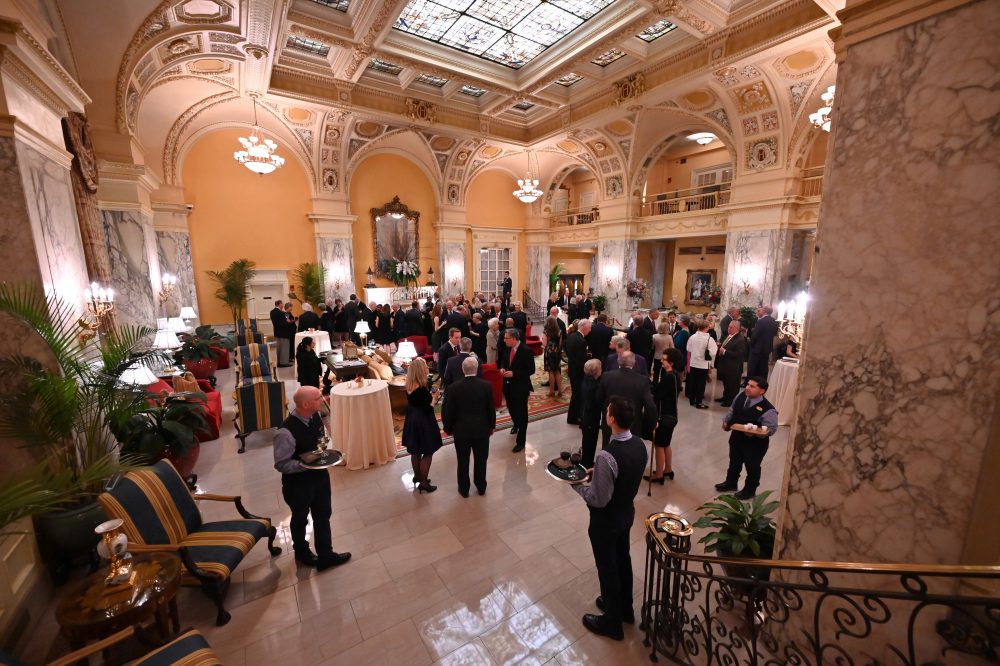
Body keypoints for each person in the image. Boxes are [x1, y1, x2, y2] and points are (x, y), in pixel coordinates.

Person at [572, 396, 648, 641]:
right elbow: (626, 475)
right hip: (626, 513)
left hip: (606, 521)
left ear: (612, 419)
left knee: (607, 568)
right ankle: (625, 608)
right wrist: (601, 475)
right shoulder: (639, 444)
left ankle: (612, 623)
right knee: (622, 559)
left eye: (607, 412)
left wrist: (576, 484)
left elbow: (598, 498)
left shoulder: (607, 455)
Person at [273, 386, 352, 571]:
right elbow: (281, 464)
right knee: (300, 519)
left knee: (323, 516)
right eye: (318, 398)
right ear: (306, 404)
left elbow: (320, 441)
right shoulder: (284, 432)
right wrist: (305, 464)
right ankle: (301, 552)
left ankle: (326, 555)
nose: (322, 399)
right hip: (298, 485)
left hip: (320, 479)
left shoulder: (316, 416)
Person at [715, 377, 778, 500]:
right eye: (748, 385)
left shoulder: (768, 409)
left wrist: (757, 434)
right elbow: (732, 410)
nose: (747, 388)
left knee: (752, 467)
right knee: (734, 462)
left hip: (755, 444)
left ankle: (749, 490)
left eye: (752, 386)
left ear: (762, 391)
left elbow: (772, 429)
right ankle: (731, 483)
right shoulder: (741, 396)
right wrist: (726, 421)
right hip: (737, 437)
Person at [442, 356, 496, 498]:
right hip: (482, 430)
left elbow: (450, 411)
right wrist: (492, 426)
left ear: (462, 369)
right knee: (481, 460)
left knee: (463, 460)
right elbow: (491, 409)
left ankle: (464, 489)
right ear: (477, 369)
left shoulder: (454, 388)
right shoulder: (486, 386)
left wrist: (447, 428)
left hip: (461, 431)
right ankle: (481, 486)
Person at [596, 351, 656, 448]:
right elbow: (651, 406)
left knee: (609, 449)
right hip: (632, 424)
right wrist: (650, 425)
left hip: (611, 422)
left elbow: (599, 399)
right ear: (634, 362)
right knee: (630, 453)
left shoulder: (606, 376)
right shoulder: (643, 380)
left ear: (618, 361)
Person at [402, 358, 442, 493]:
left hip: (412, 418)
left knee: (416, 451)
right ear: (420, 370)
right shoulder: (422, 390)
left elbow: (418, 403)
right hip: (423, 421)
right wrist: (435, 399)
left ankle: (417, 476)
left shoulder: (409, 385)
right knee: (428, 451)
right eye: (425, 366)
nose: (427, 368)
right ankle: (424, 482)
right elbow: (428, 408)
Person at [646, 348, 684, 484]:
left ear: (672, 363)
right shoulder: (675, 375)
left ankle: (659, 474)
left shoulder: (668, 377)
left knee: (659, 445)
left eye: (664, 359)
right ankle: (668, 469)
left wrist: (649, 385)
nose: (661, 361)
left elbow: (657, 394)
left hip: (664, 415)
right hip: (672, 414)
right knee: (666, 444)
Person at [498, 328, 534, 452]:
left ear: (513, 339)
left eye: (506, 338)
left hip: (520, 387)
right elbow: (503, 362)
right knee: (511, 407)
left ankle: (521, 441)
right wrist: (502, 368)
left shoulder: (526, 351)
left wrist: (514, 373)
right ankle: (516, 424)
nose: (503, 340)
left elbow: (531, 370)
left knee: (522, 413)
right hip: (507, 385)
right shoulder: (507, 348)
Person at [685, 320, 718, 409]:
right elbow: (713, 352)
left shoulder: (692, 337)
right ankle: (699, 402)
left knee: (693, 382)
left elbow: (688, 349)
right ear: (706, 328)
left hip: (693, 363)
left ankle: (691, 400)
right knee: (701, 383)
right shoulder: (709, 339)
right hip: (703, 364)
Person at [715, 320, 747, 406]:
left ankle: (731, 401)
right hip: (726, 365)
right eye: (729, 326)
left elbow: (738, 354)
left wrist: (724, 351)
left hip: (734, 367)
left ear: (736, 328)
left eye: (731, 327)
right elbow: (726, 346)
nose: (728, 328)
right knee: (726, 383)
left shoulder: (740, 339)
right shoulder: (729, 336)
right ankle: (725, 397)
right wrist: (720, 345)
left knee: (732, 385)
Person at [565, 319, 590, 425]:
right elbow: (581, 362)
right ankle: (573, 417)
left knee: (576, 394)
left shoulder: (571, 336)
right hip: (578, 372)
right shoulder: (581, 341)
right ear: (583, 327)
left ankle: (574, 416)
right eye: (589, 328)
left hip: (572, 368)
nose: (590, 330)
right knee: (577, 395)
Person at [579, 358, 603, 468]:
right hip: (591, 418)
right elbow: (595, 402)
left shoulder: (587, 378)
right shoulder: (594, 386)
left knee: (587, 440)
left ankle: (586, 460)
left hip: (586, 416)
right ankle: (587, 464)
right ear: (596, 371)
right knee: (590, 441)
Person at [748, 306, 779, 379]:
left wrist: (750, 343)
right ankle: (762, 381)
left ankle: (751, 382)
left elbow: (755, 336)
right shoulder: (774, 321)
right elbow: (775, 333)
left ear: (764, 311)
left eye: (760, 310)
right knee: (764, 367)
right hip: (767, 348)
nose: (758, 312)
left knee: (753, 367)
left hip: (757, 348)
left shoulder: (761, 321)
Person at [542, 316, 563, 398]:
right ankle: (560, 391)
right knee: (557, 371)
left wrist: (544, 346)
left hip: (549, 353)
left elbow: (544, 344)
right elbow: (560, 343)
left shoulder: (546, 332)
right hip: (557, 353)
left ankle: (552, 391)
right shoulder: (559, 331)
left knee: (551, 372)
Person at [651, 321, 675, 387]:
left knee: (656, 372)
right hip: (666, 357)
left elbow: (652, 347)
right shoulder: (669, 337)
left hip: (657, 356)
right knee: (664, 372)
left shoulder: (654, 336)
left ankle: (654, 384)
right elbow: (672, 347)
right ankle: (662, 385)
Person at [270, 299, 292, 366]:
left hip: (277, 332)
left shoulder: (272, 312)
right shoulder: (281, 313)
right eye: (282, 304)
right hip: (284, 333)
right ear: (279, 304)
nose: (283, 305)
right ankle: (284, 362)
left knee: (279, 348)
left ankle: (279, 362)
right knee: (284, 348)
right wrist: (288, 322)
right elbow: (283, 323)